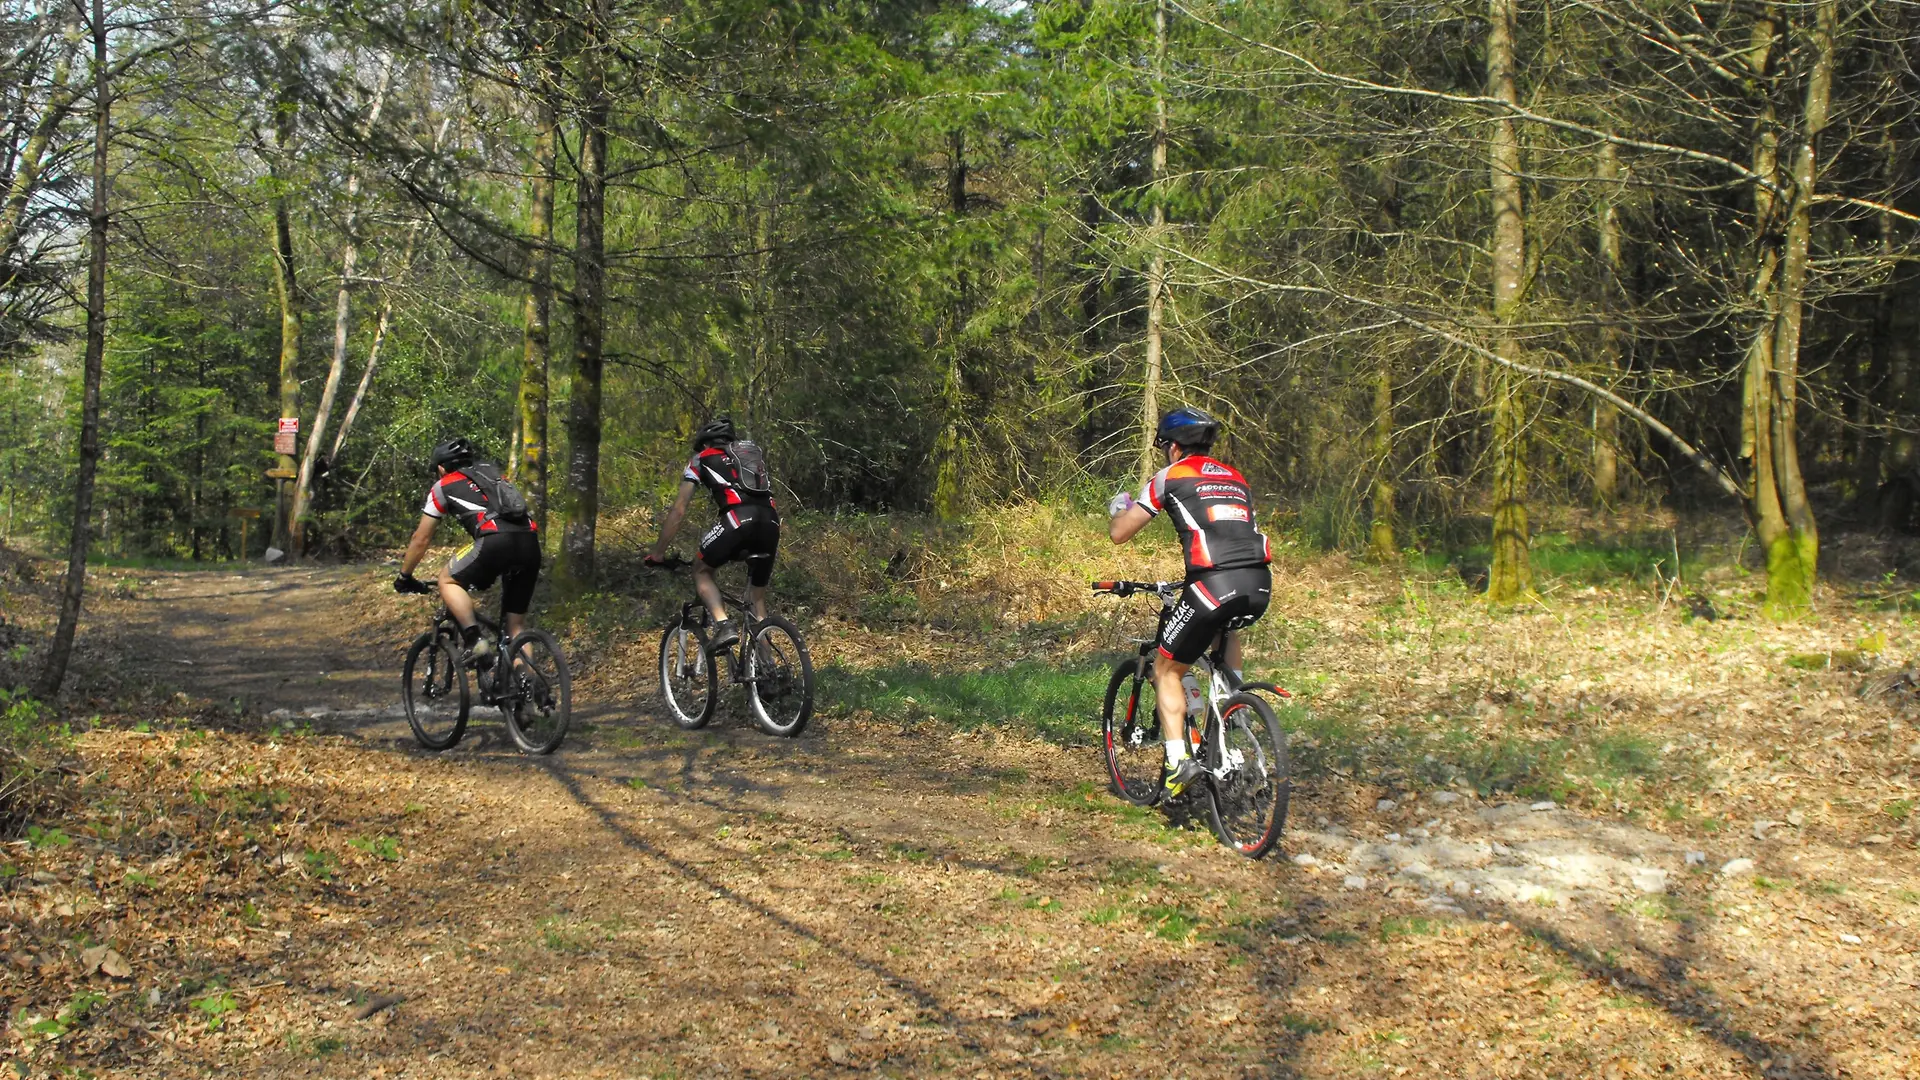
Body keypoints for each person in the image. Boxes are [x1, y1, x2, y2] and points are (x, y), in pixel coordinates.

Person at [1107, 407, 1272, 800]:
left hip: (1213, 583)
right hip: (1258, 582)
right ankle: (1234, 711)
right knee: (1224, 627)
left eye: (1165, 447)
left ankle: (1178, 761)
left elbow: (1120, 534)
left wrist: (1118, 508)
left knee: (1166, 668)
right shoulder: (1236, 478)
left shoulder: (1171, 476)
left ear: (1174, 447)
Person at [393, 437, 542, 664]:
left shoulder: (443, 485)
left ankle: (474, 641)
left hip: (495, 542)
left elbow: (421, 539)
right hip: (530, 543)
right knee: (515, 627)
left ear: (441, 468)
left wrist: (405, 575)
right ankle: (531, 691)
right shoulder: (495, 476)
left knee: (447, 580)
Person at [644, 417, 779, 653]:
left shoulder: (701, 459)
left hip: (737, 520)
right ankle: (771, 672)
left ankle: (724, 625)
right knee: (757, 601)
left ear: (705, 443)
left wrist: (658, 553)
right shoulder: (746, 455)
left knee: (701, 570)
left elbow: (679, 509)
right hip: (771, 522)